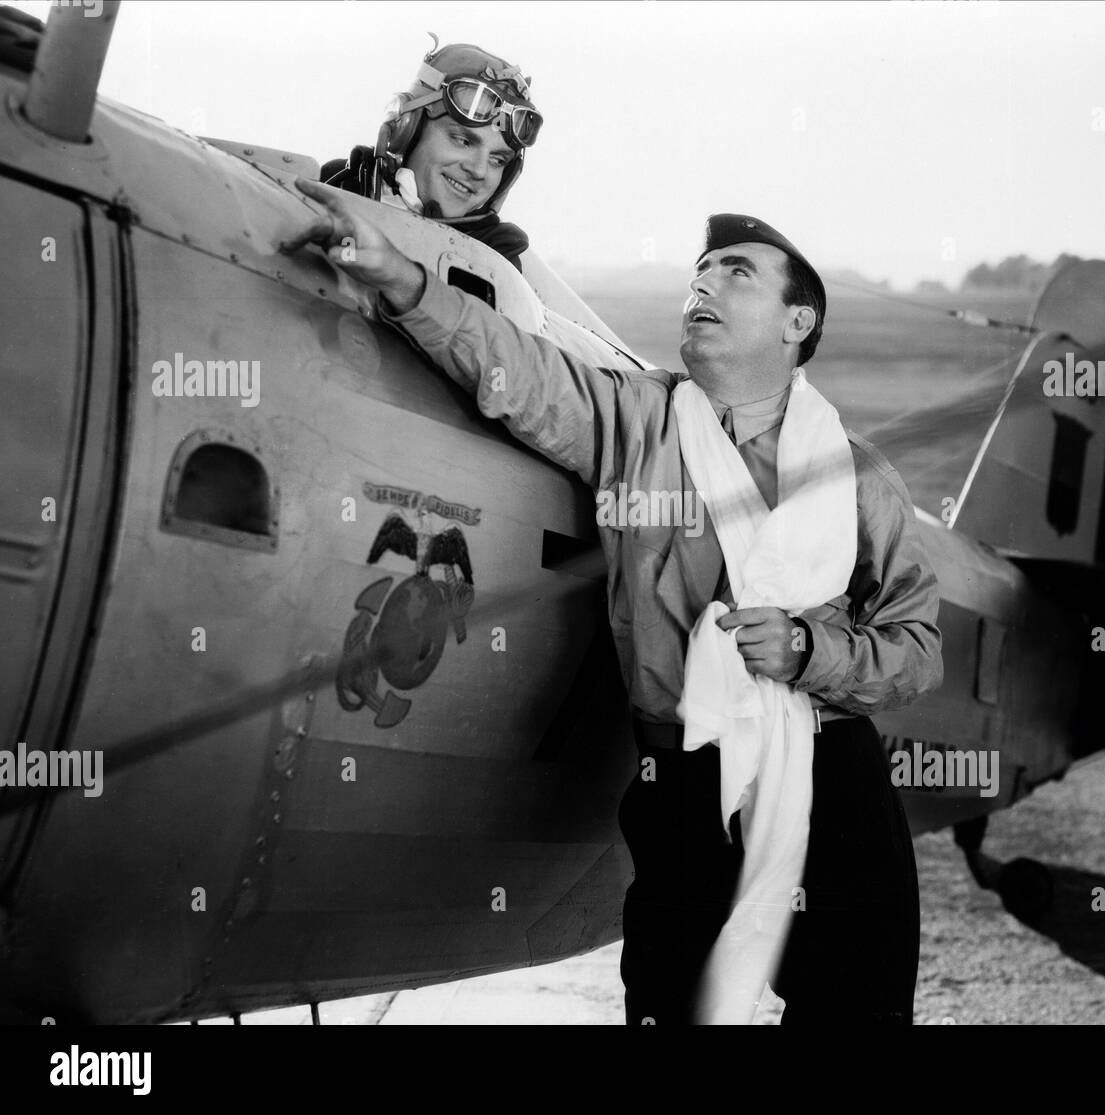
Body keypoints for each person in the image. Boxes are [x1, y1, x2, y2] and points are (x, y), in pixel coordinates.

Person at [282, 189, 944, 1025]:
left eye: (736, 273)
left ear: (796, 322)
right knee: (669, 1010)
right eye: (699, 271)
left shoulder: (860, 476)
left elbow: (918, 649)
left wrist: (812, 651)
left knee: (858, 1011)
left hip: (831, 773)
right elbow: (517, 370)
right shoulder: (638, 420)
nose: (701, 286)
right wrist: (405, 280)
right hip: (681, 773)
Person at [319, 40, 541, 271]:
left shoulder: (496, 260)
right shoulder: (334, 186)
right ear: (406, 128)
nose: (478, 170)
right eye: (463, 141)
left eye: (497, 160)